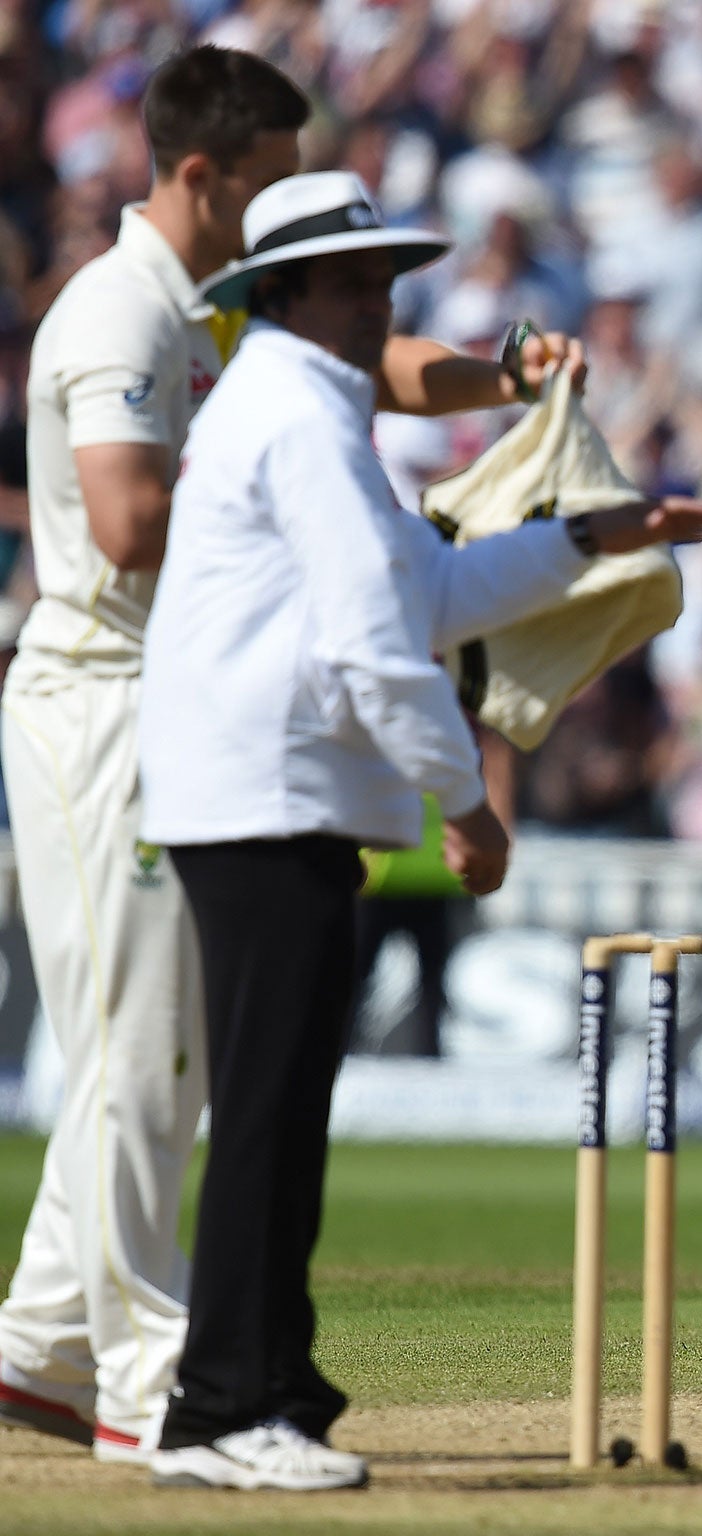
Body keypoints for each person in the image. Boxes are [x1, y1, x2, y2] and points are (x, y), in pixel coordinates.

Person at [0, 44, 599, 1464]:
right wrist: (283, 493)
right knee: (135, 1055)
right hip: (99, 694)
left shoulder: (223, 329)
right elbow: (132, 521)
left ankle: (38, 1342)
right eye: (271, 182)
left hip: (177, 693)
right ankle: (155, 1381)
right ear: (205, 173)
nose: (286, 215)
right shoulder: (120, 313)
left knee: (169, 1054)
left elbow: (378, 365)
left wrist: (502, 373)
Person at [135, 170, 702, 1490]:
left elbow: (437, 585)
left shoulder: (316, 411)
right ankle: (226, 1404)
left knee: (281, 1105)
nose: (375, 301)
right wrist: (463, 804)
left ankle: (262, 1386)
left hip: (276, 792)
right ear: (279, 294)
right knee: (271, 1108)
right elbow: (379, 642)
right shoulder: (295, 413)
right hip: (265, 793)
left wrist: (587, 534)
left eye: (383, 279)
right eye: (349, 280)